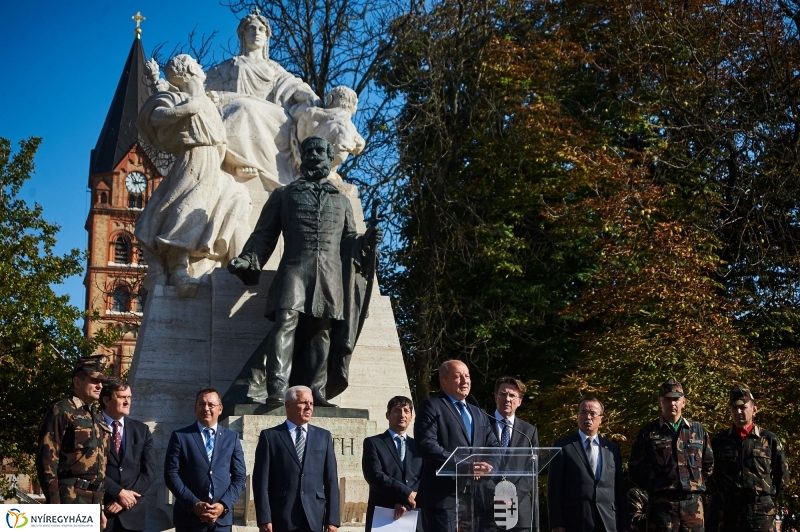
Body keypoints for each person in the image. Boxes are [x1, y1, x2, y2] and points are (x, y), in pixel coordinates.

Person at [227, 136, 381, 407]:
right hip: (295, 269)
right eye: (308, 151)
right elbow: (264, 235)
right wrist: (249, 259)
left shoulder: (342, 202)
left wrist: (366, 241)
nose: (313, 155)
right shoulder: (284, 195)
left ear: (329, 156)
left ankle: (316, 390)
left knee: (321, 331)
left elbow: (349, 241)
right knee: (285, 322)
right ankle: (276, 387)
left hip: (329, 275)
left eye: (319, 151)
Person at [136, 53, 252, 296]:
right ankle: (179, 270)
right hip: (194, 158)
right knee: (186, 208)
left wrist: (239, 165)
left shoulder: (208, 101)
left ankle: (230, 259)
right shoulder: (179, 98)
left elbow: (221, 141)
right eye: (197, 64)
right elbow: (156, 115)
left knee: (237, 198)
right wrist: (187, 108)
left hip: (215, 162)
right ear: (189, 70)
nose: (202, 66)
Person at [205, 11, 321, 189]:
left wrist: (311, 97)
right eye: (251, 28)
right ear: (243, 34)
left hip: (273, 116)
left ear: (267, 37)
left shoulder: (273, 68)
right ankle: (239, 160)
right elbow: (201, 82)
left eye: (261, 29)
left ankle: (244, 161)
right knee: (240, 108)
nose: (256, 32)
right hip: (239, 107)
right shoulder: (231, 65)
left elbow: (293, 87)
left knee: (244, 107)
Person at [414, 360, 500, 532]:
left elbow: (494, 445)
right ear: (443, 381)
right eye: (457, 376)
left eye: (467, 376)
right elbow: (426, 444)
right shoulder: (432, 407)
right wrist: (464, 465)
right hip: (443, 498)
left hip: (475, 498)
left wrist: (489, 466)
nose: (464, 381)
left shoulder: (478, 412)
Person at [629, 378, 713, 532]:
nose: (672, 404)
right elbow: (635, 469)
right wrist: (656, 486)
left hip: (693, 507)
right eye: (667, 399)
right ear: (659, 402)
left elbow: (709, 465)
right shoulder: (648, 433)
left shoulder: (698, 430)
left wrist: (693, 485)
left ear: (684, 402)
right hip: (662, 508)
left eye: (676, 399)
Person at [252, 385, 341, 532]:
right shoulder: (270, 437)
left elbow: (331, 480)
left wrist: (332, 520)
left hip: (314, 517)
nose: (308, 407)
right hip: (281, 517)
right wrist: (264, 518)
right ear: (288, 405)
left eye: (311, 403)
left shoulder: (323, 436)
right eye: (303, 402)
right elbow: (261, 482)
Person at [35, 355, 110, 527]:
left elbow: (99, 469)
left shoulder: (97, 417)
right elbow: (47, 461)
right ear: (77, 382)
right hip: (68, 500)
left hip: (93, 502)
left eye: (101, 381)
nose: (100, 386)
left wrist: (99, 509)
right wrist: (55, 508)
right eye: (94, 380)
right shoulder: (61, 411)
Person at [164, 388, 246, 532]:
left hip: (221, 521)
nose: (206, 408)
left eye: (211, 405)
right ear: (195, 408)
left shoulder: (231, 438)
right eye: (201, 404)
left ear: (220, 409)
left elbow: (239, 477)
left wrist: (223, 505)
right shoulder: (181, 437)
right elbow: (171, 474)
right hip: (189, 519)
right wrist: (194, 505)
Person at [711, 384, 789, 532]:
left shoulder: (769, 439)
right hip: (730, 511)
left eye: (743, 408)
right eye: (734, 408)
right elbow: (712, 474)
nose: (739, 412)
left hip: (761, 512)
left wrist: (764, 497)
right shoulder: (720, 441)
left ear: (754, 410)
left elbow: (782, 476)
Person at [547, 396, 628, 532]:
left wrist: (625, 525)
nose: (588, 417)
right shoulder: (563, 446)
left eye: (592, 414)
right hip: (575, 521)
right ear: (577, 416)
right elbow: (553, 489)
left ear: (601, 418)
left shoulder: (612, 449)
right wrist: (556, 524)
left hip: (608, 522)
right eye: (583, 413)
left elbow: (619, 489)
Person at [100, 377, 156, 532]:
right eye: (122, 397)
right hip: (103, 512)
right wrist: (118, 492)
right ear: (106, 400)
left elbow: (149, 472)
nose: (127, 402)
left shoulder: (142, 430)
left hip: (132, 514)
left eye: (129, 397)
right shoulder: (92, 427)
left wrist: (125, 499)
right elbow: (89, 470)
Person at [362, 396, 423, 532]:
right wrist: (405, 494)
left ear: (411, 416)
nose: (402, 415)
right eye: (397, 411)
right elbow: (374, 475)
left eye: (406, 411)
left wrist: (407, 503)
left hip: (414, 516)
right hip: (383, 517)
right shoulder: (373, 443)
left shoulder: (419, 447)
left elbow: (424, 478)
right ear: (387, 415)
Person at [490, 376, 539, 531]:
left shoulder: (529, 431)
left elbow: (532, 469)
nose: (507, 399)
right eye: (503, 394)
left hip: (519, 511)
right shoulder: (481, 425)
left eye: (512, 396)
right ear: (495, 397)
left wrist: (513, 496)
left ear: (520, 401)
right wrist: (496, 495)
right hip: (487, 508)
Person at [291, 85, 366, 179]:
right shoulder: (348, 128)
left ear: (330, 99)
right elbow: (340, 156)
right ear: (354, 107)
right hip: (321, 172)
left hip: (299, 159)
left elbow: (298, 130)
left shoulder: (311, 113)